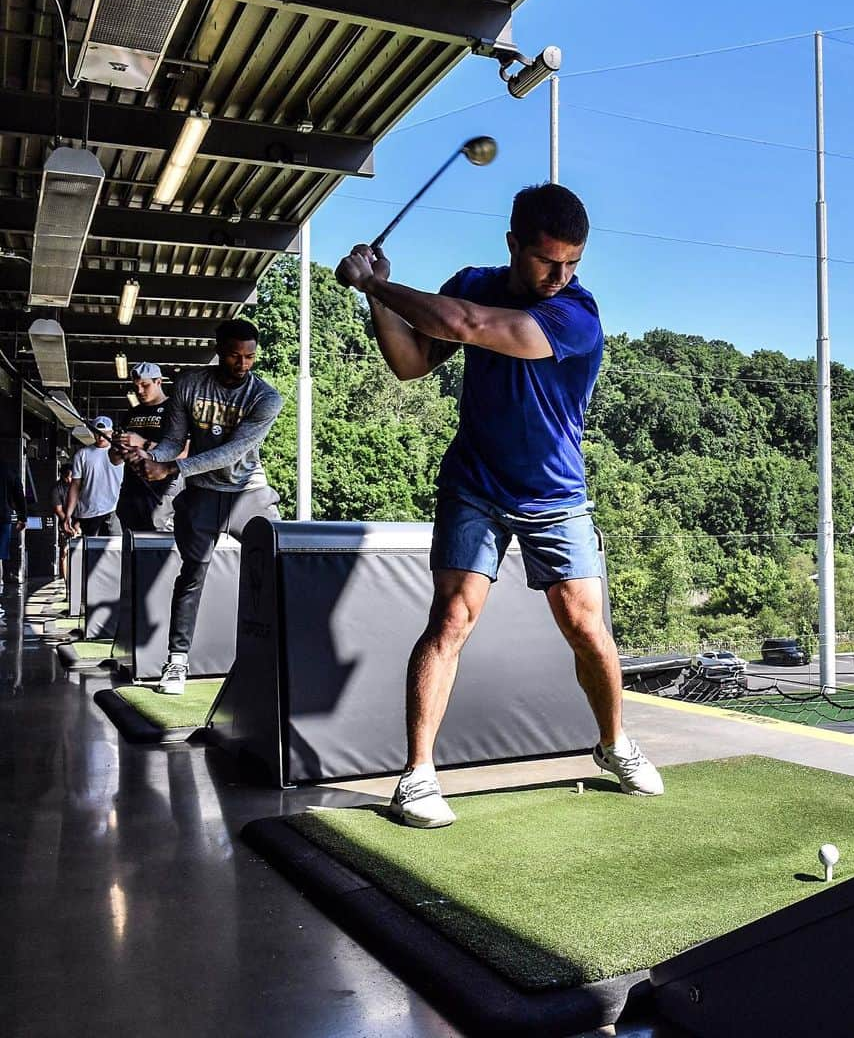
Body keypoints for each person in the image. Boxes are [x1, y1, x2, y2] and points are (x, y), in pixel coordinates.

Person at [336, 182, 663, 829]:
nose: (560, 275)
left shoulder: (576, 314)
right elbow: (410, 362)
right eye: (547, 260)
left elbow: (467, 325)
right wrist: (374, 299)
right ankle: (417, 776)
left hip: (554, 493)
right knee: (451, 619)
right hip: (475, 484)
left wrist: (376, 284)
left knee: (585, 628)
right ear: (513, 244)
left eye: (573, 261)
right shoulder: (475, 281)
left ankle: (613, 743)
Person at [122, 319, 282, 695]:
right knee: (192, 575)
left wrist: (171, 466)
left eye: (249, 357)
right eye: (233, 355)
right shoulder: (190, 384)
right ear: (218, 350)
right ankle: (176, 662)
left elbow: (233, 452)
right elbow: (173, 439)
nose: (242, 364)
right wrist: (149, 455)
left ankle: (279, 655)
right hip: (202, 493)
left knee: (277, 566)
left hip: (248, 492)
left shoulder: (266, 398)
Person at [113, 362, 186, 532]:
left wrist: (142, 444)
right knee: (130, 542)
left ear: (158, 382)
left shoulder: (175, 410)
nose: (139, 391)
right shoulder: (131, 413)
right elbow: (114, 460)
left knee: (157, 545)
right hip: (131, 490)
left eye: (145, 385)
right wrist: (120, 448)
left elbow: (184, 452)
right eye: (136, 386)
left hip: (163, 489)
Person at [64, 418, 124, 537]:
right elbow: (75, 485)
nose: (101, 438)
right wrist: (68, 515)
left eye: (105, 434)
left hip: (114, 511)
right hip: (88, 513)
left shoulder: (120, 453)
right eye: (97, 434)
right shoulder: (82, 454)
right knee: (91, 552)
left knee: (116, 550)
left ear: (111, 432)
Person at [0, 455, 27, 591]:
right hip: (3, 517)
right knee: (0, 555)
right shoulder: (9, 470)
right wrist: (22, 517)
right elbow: (19, 495)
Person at [49, 463, 74, 581]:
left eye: (71, 477)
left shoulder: (77, 486)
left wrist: (77, 524)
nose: (69, 480)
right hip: (64, 523)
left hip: (80, 520)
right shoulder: (56, 489)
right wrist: (67, 523)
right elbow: (58, 510)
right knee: (64, 552)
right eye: (67, 477)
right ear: (62, 475)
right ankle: (66, 583)